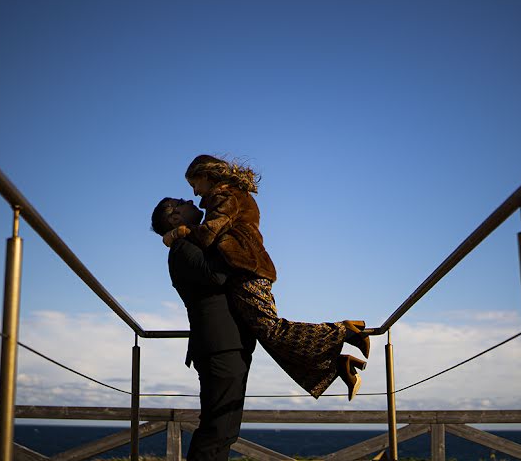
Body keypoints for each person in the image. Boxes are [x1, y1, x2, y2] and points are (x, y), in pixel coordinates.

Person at [162, 154, 370, 400]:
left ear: (207, 176)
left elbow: (209, 234)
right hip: (250, 267)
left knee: (271, 329)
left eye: (194, 184)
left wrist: (180, 233)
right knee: (267, 333)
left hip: (246, 268)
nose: (195, 193)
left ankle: (345, 332)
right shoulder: (230, 195)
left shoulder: (225, 196)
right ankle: (339, 365)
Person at [152, 196, 256, 461]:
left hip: (229, 344)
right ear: (175, 218)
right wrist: (232, 245)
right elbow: (216, 275)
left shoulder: (190, 243)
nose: (190, 200)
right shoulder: (181, 248)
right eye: (182, 201)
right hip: (218, 346)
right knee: (216, 430)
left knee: (226, 430)